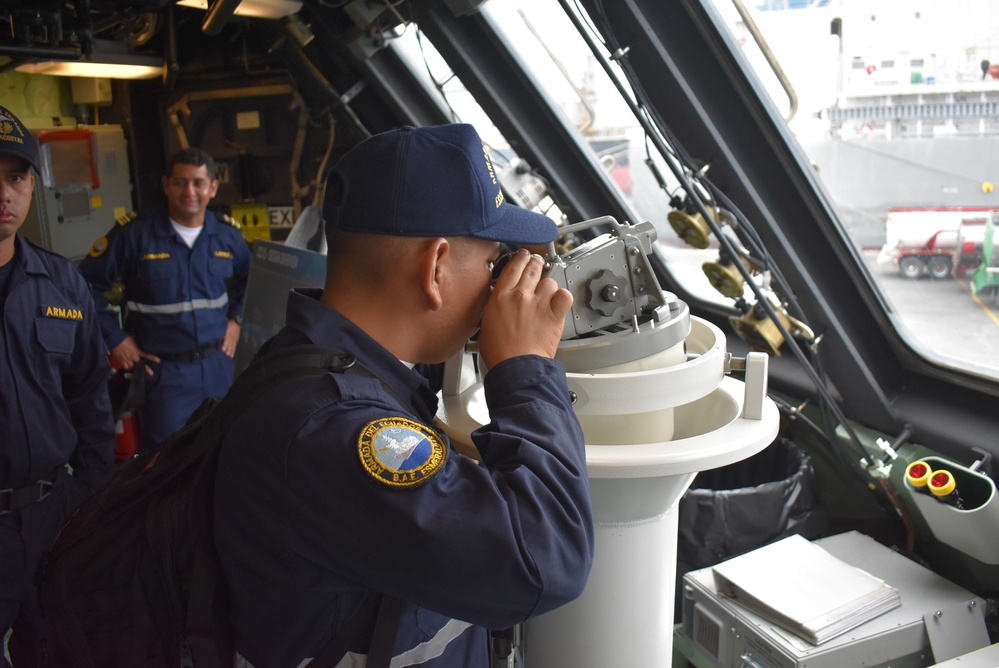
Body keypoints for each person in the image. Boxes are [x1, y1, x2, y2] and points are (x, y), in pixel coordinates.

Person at [214, 123, 594, 667]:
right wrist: (525, 369)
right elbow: (547, 559)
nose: (496, 283)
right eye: (491, 262)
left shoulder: (315, 367)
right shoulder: (332, 429)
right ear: (436, 266)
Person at [0, 105, 115, 666]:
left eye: (16, 177)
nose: (5, 193)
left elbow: (89, 391)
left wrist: (91, 488)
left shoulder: (61, 281)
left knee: (60, 649)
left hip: (51, 517)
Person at [79, 147, 251, 451]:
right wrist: (116, 339)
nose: (189, 191)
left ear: (212, 188)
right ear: (165, 185)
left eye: (198, 183)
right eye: (180, 182)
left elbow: (249, 283)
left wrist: (236, 319)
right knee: (165, 464)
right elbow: (83, 285)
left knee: (224, 453)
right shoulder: (135, 234)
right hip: (164, 376)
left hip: (218, 368)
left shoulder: (229, 237)